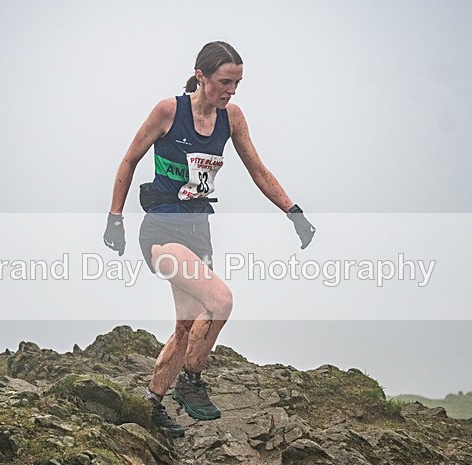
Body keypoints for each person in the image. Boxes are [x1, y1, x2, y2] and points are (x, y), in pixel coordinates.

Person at [104, 41, 315, 437]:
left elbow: (257, 169)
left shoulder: (231, 118)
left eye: (237, 83)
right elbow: (129, 159)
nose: (231, 91)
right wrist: (115, 218)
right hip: (162, 231)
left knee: (186, 326)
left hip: (198, 231)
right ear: (200, 76)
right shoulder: (169, 111)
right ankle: (191, 379)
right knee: (220, 301)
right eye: (224, 82)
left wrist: (293, 211)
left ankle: (150, 405)